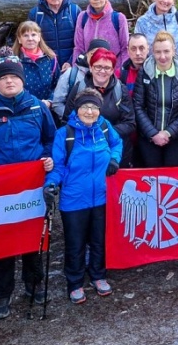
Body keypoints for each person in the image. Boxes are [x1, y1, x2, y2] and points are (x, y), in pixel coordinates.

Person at [0, 57, 57, 319]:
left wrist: (49, 158)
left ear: (22, 80)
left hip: (32, 187)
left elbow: (51, 139)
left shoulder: (37, 108)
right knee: (1, 242)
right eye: (4, 78)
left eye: (14, 77)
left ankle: (35, 284)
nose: (9, 81)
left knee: (34, 238)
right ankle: (2, 294)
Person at [45, 89, 123, 304]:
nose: (89, 111)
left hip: (102, 197)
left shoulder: (105, 128)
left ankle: (98, 275)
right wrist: (51, 184)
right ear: (77, 109)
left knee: (99, 240)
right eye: (85, 107)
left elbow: (117, 144)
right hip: (74, 199)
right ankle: (75, 281)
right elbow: (58, 165)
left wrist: (115, 160)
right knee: (75, 243)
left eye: (94, 107)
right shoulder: (65, 133)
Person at [53, 48, 136, 166]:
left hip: (114, 150)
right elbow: (68, 119)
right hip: (84, 149)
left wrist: (104, 132)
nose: (102, 71)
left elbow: (130, 123)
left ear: (113, 70)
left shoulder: (120, 90)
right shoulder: (79, 88)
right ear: (91, 68)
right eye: (98, 66)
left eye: (107, 68)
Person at [133, 32, 178, 168]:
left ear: (174, 50)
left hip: (175, 138)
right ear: (152, 52)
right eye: (158, 52)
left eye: (166, 51)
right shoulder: (144, 72)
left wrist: (169, 133)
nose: (162, 56)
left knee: (173, 180)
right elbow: (138, 106)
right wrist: (153, 133)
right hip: (148, 137)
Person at [74, 0, 129, 69]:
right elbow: (78, 48)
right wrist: (76, 69)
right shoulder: (82, 17)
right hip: (88, 69)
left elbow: (125, 48)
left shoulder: (118, 18)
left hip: (112, 69)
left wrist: (121, 70)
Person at [28, 0, 80, 69]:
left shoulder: (74, 11)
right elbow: (30, 43)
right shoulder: (35, 14)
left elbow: (81, 43)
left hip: (72, 66)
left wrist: (71, 62)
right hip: (45, 66)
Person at [13, 19, 59, 103]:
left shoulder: (51, 59)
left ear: (39, 37)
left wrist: (50, 101)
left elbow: (58, 85)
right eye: (25, 35)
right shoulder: (13, 61)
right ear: (19, 39)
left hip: (47, 108)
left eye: (33, 35)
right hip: (22, 108)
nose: (30, 39)